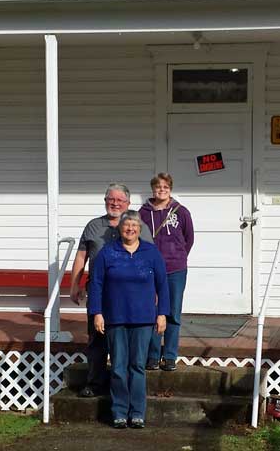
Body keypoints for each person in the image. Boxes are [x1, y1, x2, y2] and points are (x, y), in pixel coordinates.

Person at [70, 183, 153, 398]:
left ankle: (124, 386)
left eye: (120, 200)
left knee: (125, 341)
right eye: (111, 199)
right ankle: (95, 382)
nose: (115, 204)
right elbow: (81, 256)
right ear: (105, 201)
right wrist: (74, 284)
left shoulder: (137, 226)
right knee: (97, 338)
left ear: (128, 203)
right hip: (99, 291)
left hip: (128, 296)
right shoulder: (93, 226)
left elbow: (151, 259)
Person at [88, 210, 169, 428]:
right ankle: (119, 411)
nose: (130, 229)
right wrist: (97, 312)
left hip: (143, 319)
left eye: (134, 225)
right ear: (120, 228)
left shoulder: (151, 252)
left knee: (137, 367)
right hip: (115, 319)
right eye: (126, 225)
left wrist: (162, 313)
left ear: (140, 229)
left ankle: (138, 412)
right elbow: (96, 284)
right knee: (117, 366)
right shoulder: (107, 252)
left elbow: (163, 284)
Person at [139, 172, 194, 372]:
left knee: (172, 313)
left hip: (176, 269)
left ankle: (170, 356)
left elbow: (189, 238)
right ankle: (152, 356)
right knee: (153, 311)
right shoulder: (143, 213)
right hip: (151, 270)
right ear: (153, 189)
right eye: (158, 187)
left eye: (165, 187)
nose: (161, 190)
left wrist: (177, 257)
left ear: (170, 189)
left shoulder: (181, 212)